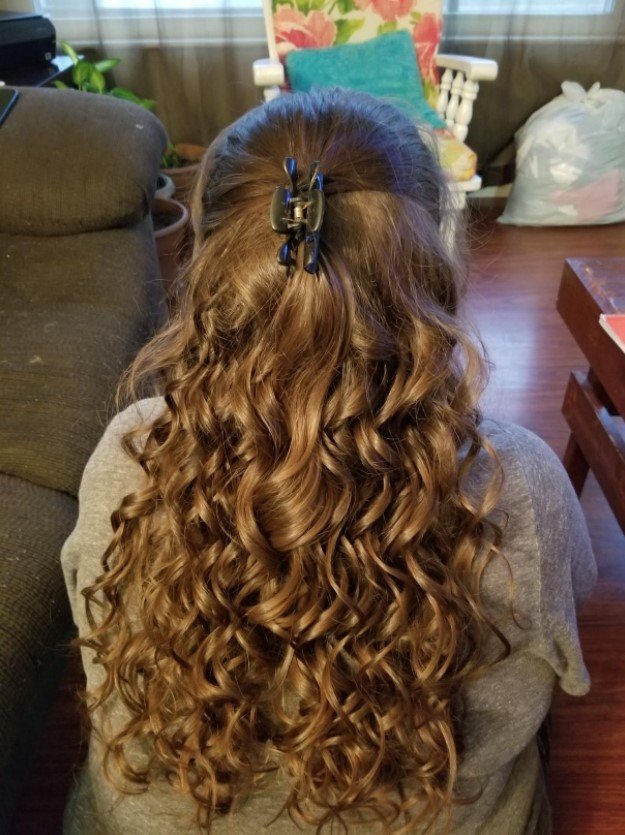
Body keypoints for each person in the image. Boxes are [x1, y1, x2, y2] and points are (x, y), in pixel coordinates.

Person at [60, 87, 597, 835]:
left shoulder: (129, 459)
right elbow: (561, 645)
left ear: (209, 262)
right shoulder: (520, 481)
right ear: (428, 261)